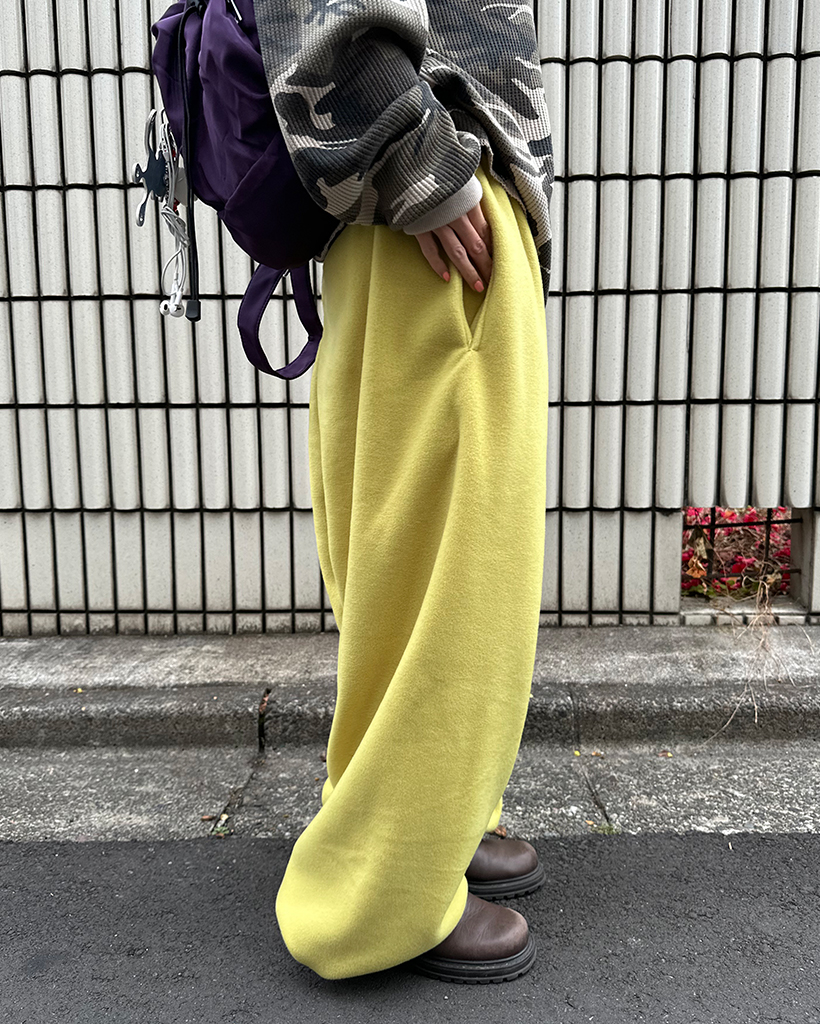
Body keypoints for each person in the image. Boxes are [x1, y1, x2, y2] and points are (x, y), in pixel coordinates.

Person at [253, 0, 554, 983]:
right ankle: (382, 896)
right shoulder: (427, 173)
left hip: (424, 197)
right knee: (452, 580)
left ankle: (432, 824)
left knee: (410, 567)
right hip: (432, 203)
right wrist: (420, 162)